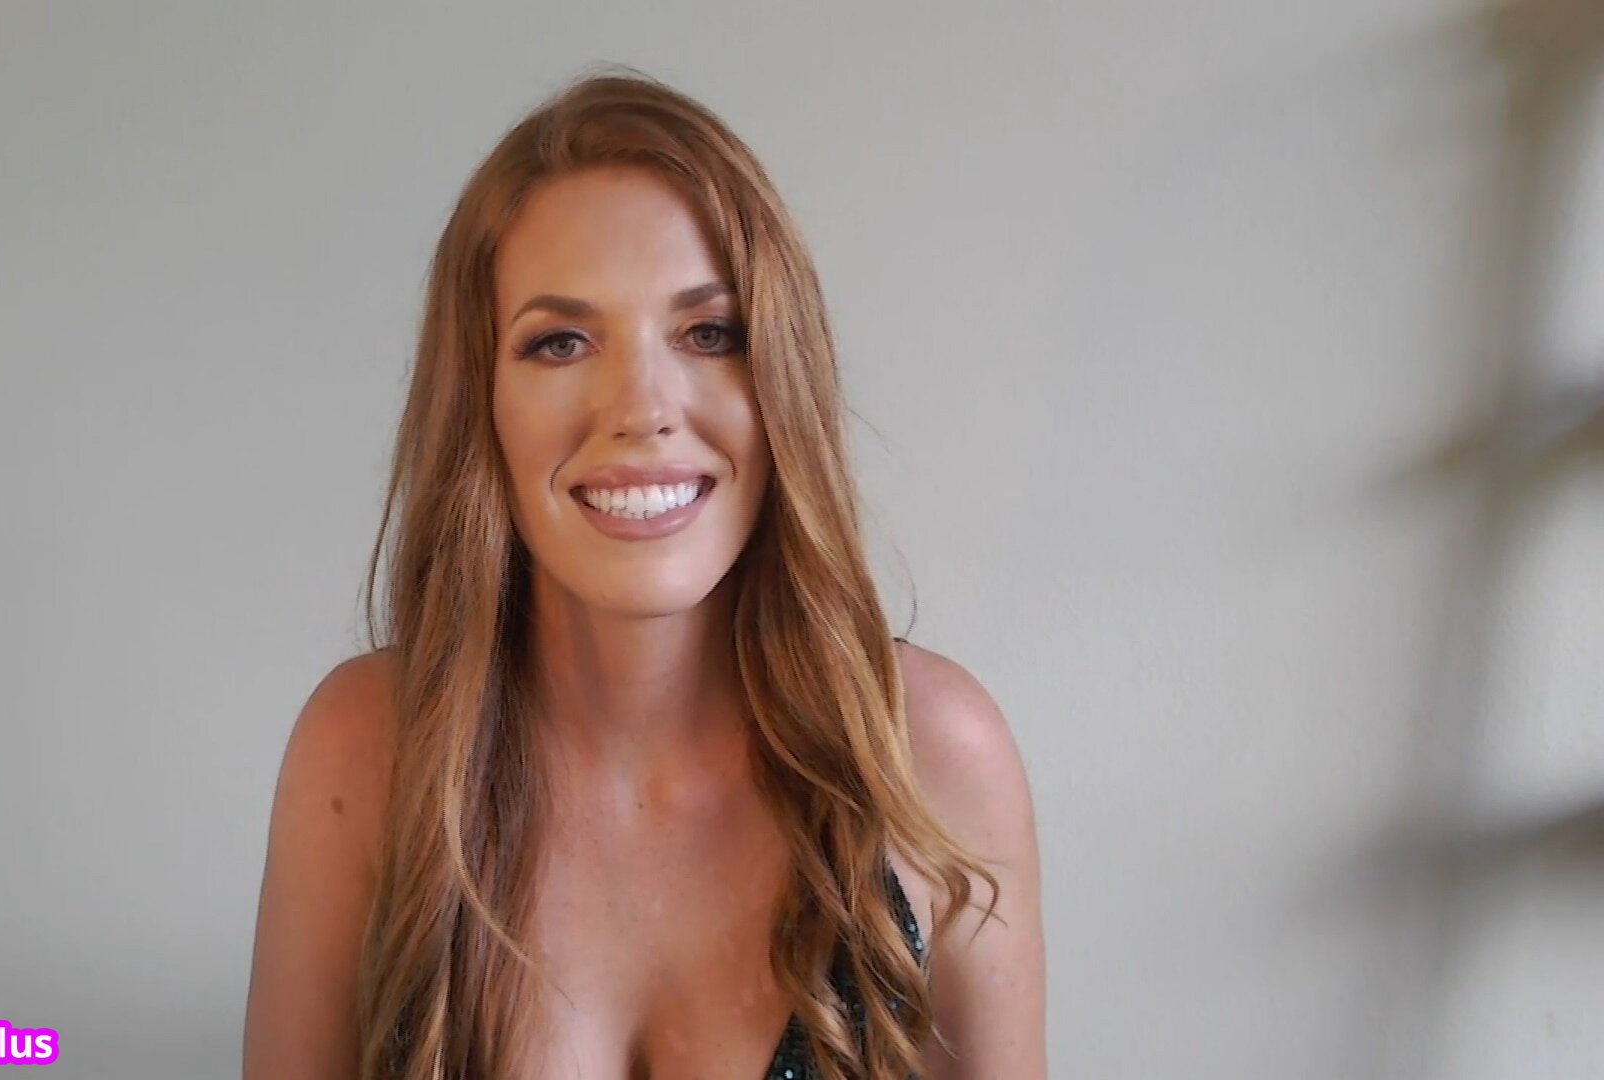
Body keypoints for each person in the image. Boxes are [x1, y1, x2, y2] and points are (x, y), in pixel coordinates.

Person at [243, 67, 1046, 1080]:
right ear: (480, 401)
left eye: (709, 334)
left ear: (781, 379)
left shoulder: (932, 755)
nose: (642, 409)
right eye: (561, 343)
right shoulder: (367, 750)